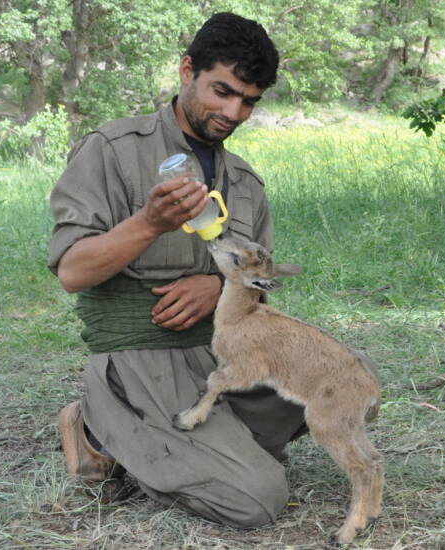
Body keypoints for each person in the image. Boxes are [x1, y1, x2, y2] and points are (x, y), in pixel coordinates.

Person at [48, 12, 307, 528]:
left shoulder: (245, 182)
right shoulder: (114, 149)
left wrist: (216, 285)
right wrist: (148, 223)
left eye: (249, 100)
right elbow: (72, 271)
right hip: (142, 358)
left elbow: (258, 286)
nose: (234, 112)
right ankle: (99, 431)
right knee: (257, 498)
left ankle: (191, 438)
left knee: (348, 382)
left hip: (219, 351)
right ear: (187, 70)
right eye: (222, 91)